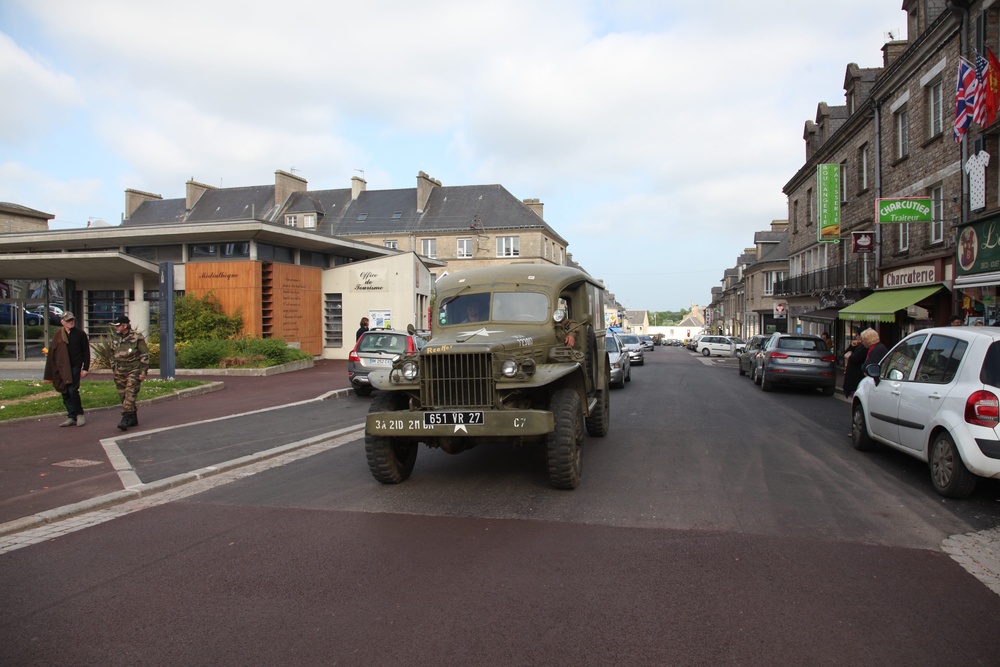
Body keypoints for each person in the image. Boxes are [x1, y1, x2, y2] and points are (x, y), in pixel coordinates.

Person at [42, 311, 90, 427]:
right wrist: (49, 375)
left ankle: (79, 414)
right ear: (62, 322)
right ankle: (71, 416)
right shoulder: (58, 335)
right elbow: (52, 354)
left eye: (72, 320)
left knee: (72, 390)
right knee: (64, 391)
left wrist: (85, 368)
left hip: (75, 366)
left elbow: (86, 352)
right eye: (68, 321)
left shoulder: (80, 334)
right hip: (62, 367)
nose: (71, 322)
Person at [111, 315, 149, 431]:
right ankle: (133, 417)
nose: (116, 328)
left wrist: (143, 372)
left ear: (125, 325)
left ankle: (125, 418)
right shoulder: (116, 337)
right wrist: (113, 367)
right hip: (119, 371)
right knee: (123, 395)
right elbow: (112, 353)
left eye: (118, 325)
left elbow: (144, 355)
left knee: (130, 393)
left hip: (133, 370)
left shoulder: (137, 337)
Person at [842, 332, 867, 400]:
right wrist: (852, 346)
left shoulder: (864, 348)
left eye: (857, 335)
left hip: (857, 375)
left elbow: (854, 358)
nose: (856, 337)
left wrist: (849, 356)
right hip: (853, 375)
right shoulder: (858, 346)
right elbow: (845, 353)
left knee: (856, 395)